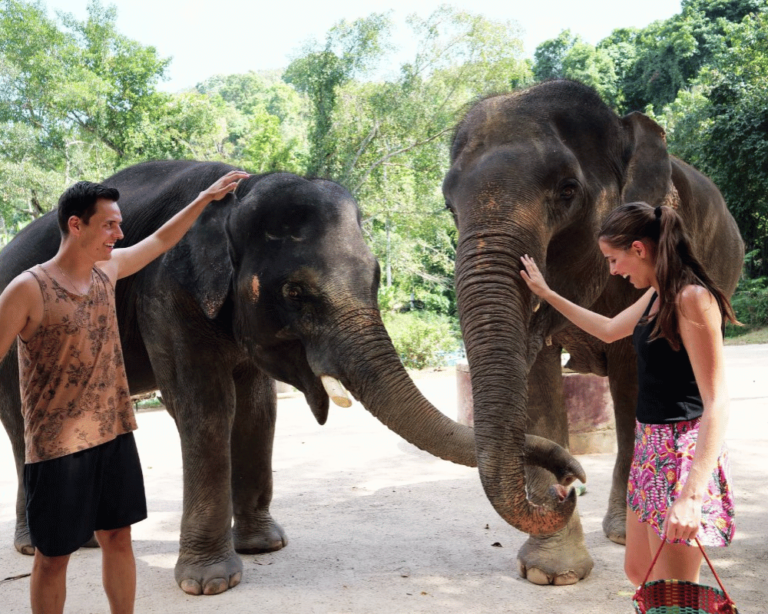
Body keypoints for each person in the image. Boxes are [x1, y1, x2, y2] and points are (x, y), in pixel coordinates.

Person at [0, 168, 249, 614]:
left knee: (118, 538)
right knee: (54, 556)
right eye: (109, 224)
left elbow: (158, 242)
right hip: (57, 449)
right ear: (76, 226)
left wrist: (204, 198)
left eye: (118, 223)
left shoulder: (107, 271)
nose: (119, 232)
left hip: (113, 435)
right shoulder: (27, 289)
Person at [519, 201, 736, 587]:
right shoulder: (656, 295)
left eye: (613, 259)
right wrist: (547, 294)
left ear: (639, 249)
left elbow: (717, 401)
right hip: (649, 447)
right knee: (639, 572)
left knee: (676, 589)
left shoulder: (692, 299)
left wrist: (691, 495)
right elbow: (607, 329)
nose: (613, 271)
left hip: (680, 454)